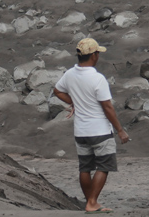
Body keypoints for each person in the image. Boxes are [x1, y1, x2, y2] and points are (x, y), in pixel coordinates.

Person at [53, 37, 130, 214]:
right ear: (94, 55)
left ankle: (91, 203)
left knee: (85, 168)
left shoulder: (70, 74)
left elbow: (57, 91)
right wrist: (120, 130)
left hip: (81, 131)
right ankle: (92, 202)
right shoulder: (97, 78)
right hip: (100, 131)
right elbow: (107, 107)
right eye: (97, 53)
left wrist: (73, 102)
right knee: (104, 166)